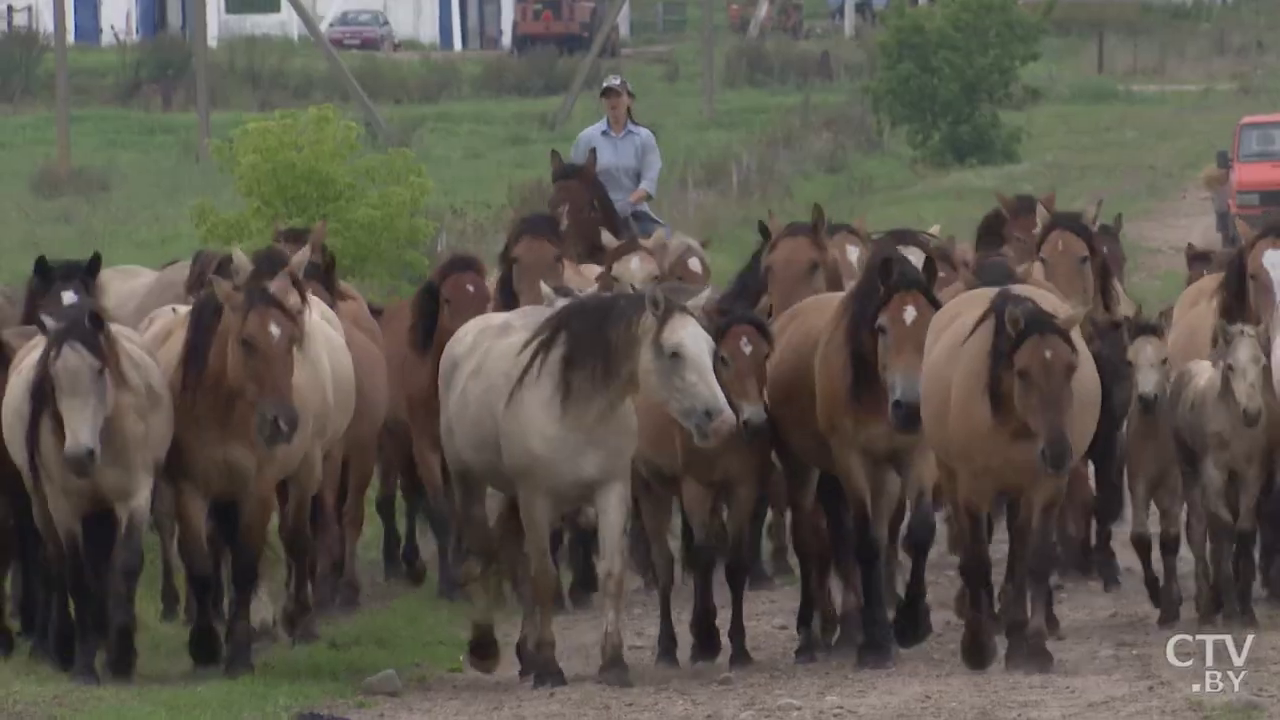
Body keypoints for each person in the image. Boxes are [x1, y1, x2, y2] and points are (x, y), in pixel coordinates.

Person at [570, 74, 665, 239]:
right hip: (597, 218)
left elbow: (648, 182)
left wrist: (628, 203)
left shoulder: (644, 138)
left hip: (635, 214)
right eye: (607, 97)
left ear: (629, 100)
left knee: (668, 246)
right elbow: (574, 180)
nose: (612, 102)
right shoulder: (586, 139)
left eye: (618, 96)